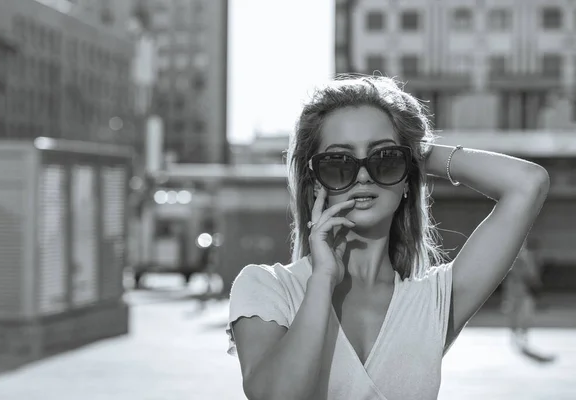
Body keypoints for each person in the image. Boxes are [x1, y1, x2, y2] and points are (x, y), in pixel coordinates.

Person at [225, 75, 550, 400]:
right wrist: (322, 279)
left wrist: (415, 154)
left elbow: (527, 184)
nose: (364, 175)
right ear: (314, 184)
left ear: (408, 179)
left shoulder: (434, 302)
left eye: (385, 160)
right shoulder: (267, 288)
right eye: (339, 162)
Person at [501, 239, 555, 362]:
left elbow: (531, 274)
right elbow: (523, 274)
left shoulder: (526, 257)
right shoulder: (516, 257)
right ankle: (516, 333)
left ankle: (520, 333)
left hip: (523, 291)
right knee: (516, 311)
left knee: (524, 312)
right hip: (517, 290)